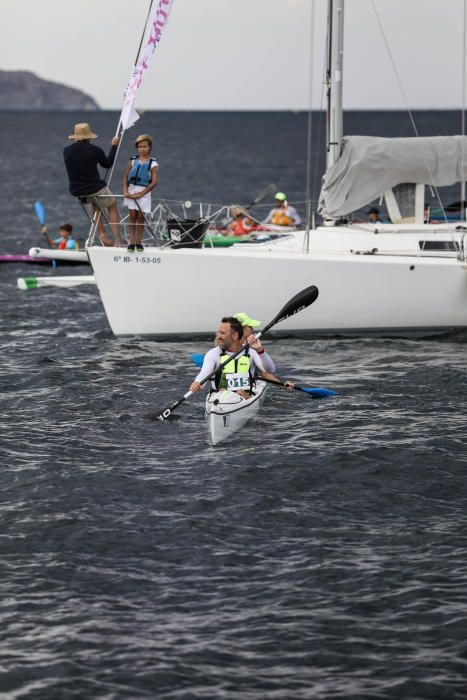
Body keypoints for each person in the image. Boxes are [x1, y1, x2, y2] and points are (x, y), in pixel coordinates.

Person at [190, 317, 293, 400]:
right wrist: (197, 383)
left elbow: (268, 371)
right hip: (221, 397)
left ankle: (242, 394)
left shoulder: (252, 351)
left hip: (243, 395)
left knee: (240, 390)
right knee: (225, 390)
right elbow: (205, 373)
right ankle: (233, 393)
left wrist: (260, 350)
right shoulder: (214, 353)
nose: (253, 331)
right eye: (250, 328)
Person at [63, 123, 122, 246]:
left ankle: (102, 233)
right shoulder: (95, 150)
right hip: (94, 188)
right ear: (89, 137)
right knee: (112, 205)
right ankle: (117, 240)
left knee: (95, 201)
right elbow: (108, 164)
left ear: (76, 137)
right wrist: (114, 146)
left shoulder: (66, 151)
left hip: (76, 190)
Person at [123, 134, 158, 252]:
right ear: (137, 148)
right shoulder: (133, 160)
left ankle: (139, 242)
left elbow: (154, 182)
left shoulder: (153, 163)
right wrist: (125, 190)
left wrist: (142, 193)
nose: (142, 149)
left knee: (141, 217)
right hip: (132, 190)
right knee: (132, 215)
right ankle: (131, 242)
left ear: (149, 147)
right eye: (140, 147)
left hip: (144, 191)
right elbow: (126, 176)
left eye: (145, 146)